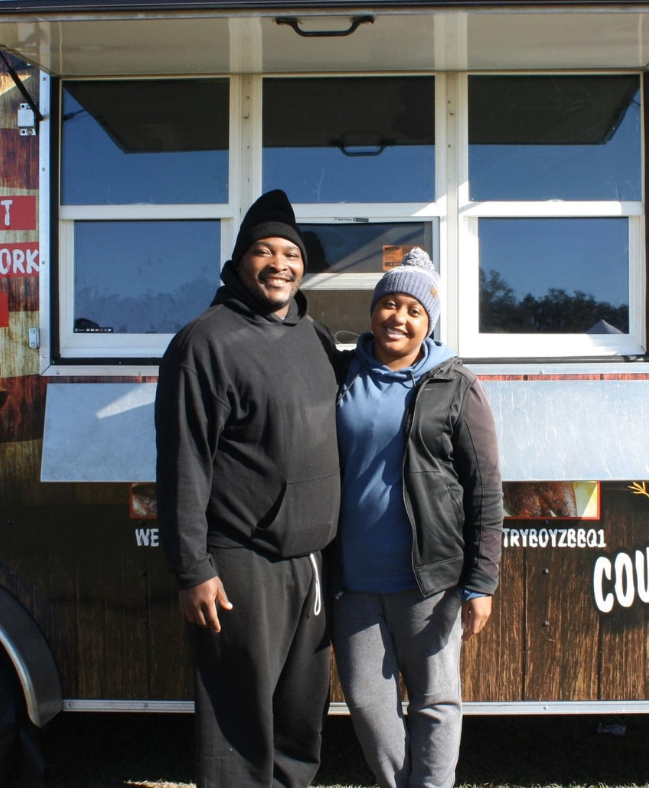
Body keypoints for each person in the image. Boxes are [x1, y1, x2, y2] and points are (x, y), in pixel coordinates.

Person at [154, 189, 341, 788]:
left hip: (311, 562)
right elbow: (183, 464)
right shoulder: (204, 343)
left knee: (297, 725)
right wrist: (192, 568)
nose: (279, 263)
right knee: (241, 729)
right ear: (239, 262)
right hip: (241, 564)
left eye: (290, 251)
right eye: (263, 250)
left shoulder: (315, 337)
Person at [331, 248, 504, 788]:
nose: (398, 318)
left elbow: (484, 489)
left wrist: (482, 581)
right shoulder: (341, 375)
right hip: (352, 579)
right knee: (365, 701)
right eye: (389, 304)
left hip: (428, 577)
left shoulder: (454, 384)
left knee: (434, 699)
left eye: (413, 309)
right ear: (373, 310)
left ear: (428, 322)